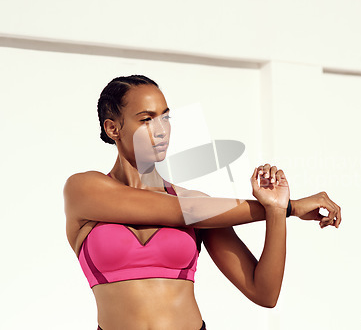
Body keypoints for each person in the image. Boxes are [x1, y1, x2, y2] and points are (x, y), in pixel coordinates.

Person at [64, 75, 341, 330]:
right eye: (147, 119)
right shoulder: (84, 189)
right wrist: (293, 207)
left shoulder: (203, 209)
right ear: (113, 128)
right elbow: (187, 212)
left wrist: (278, 210)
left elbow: (264, 293)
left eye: (166, 117)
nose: (161, 130)